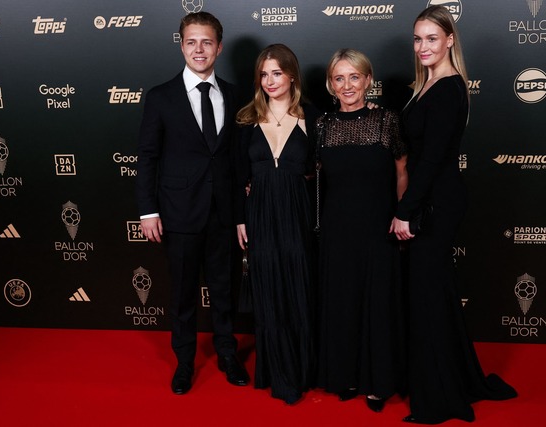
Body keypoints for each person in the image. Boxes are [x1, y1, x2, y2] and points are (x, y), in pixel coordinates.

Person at [390, 5, 517, 424]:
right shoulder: (427, 85)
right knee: (435, 296)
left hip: (436, 204)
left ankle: (440, 396)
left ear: (449, 40)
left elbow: (432, 161)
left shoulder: (449, 88)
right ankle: (454, 378)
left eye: (431, 38)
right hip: (431, 199)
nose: (423, 46)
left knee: (428, 298)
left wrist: (406, 212)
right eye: (417, 38)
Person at [136, 11, 249, 395]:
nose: (199, 49)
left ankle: (227, 354)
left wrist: (241, 215)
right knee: (183, 295)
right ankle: (184, 362)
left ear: (219, 46)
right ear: (181, 44)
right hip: (178, 213)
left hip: (224, 214)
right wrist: (148, 210)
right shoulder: (160, 97)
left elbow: (237, 159)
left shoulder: (236, 96)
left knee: (225, 290)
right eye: (191, 42)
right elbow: (147, 157)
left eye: (206, 42)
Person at [315, 48, 408, 413]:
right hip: (337, 230)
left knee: (377, 304)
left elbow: (402, 171)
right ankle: (345, 375)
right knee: (342, 302)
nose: (348, 85)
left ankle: (377, 382)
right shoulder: (323, 125)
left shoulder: (388, 121)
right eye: (340, 78)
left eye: (355, 77)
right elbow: (312, 173)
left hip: (377, 227)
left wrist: (402, 216)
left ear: (369, 80)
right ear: (331, 84)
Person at [234, 44, 318, 405]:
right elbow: (234, 175)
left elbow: (329, 168)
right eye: (264, 74)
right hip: (260, 215)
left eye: (277, 73)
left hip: (299, 216)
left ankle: (304, 370)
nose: (270, 81)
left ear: (292, 75)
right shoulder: (245, 119)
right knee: (268, 293)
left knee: (299, 290)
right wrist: (240, 216)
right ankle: (278, 374)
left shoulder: (314, 117)